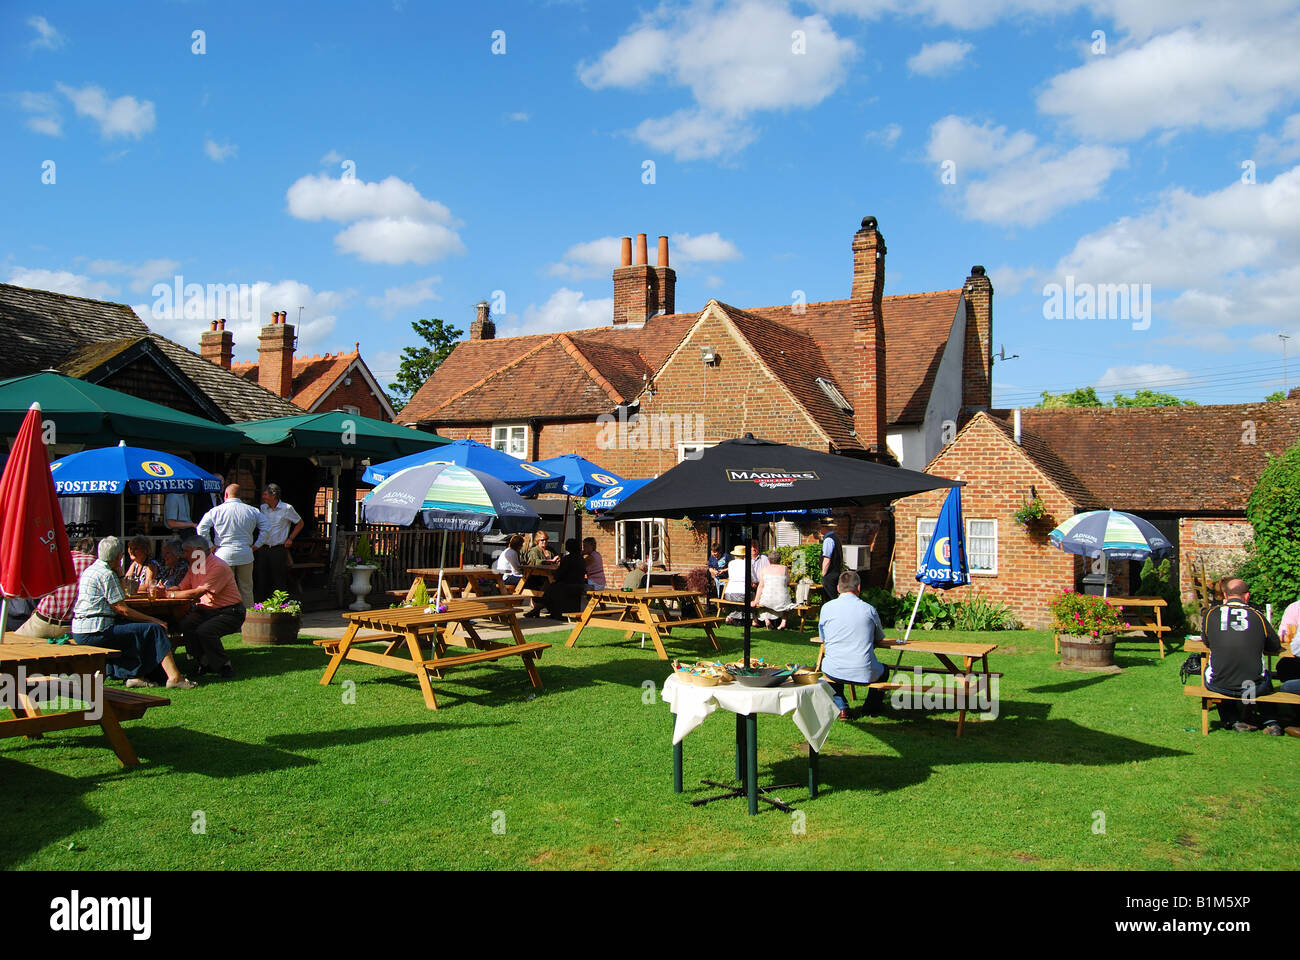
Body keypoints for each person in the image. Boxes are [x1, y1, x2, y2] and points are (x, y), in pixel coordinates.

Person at [70, 537, 196, 689]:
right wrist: (153, 620)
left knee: (133, 630)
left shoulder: (91, 570)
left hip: (80, 629)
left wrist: (120, 574)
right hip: (96, 630)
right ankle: (175, 677)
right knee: (154, 629)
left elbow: (120, 597)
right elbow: (122, 608)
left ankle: (134, 676)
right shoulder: (107, 574)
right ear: (119, 557)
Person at [1202, 579, 1284, 734]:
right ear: (1247, 596)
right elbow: (1275, 645)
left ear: (1225, 595)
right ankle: (1271, 721)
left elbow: (1207, 641)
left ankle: (1232, 719)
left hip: (1219, 684)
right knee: (1265, 675)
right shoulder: (1257, 616)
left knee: (1214, 670)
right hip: (1254, 685)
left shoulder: (1211, 614)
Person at [165, 534, 246, 679]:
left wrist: (169, 595)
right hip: (208, 611)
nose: (183, 555)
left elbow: (198, 592)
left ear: (198, 551)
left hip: (231, 612)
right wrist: (165, 591)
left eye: (186, 551)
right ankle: (203, 662)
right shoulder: (195, 566)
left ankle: (224, 666)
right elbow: (182, 587)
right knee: (186, 624)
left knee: (205, 630)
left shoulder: (217, 566)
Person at [818, 569, 888, 721]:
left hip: (834, 669)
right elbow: (879, 637)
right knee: (884, 671)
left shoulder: (826, 608)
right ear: (858, 588)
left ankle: (841, 707)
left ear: (838, 588)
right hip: (864, 670)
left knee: (829, 669)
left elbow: (823, 637)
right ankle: (871, 708)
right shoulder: (869, 609)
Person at [14, 537, 97, 639]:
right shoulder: (96, 565)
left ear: (77, 547)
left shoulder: (59, 559)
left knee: (12, 645)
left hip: (43, 620)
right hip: (70, 627)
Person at [198, 484, 264, 608]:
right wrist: (258, 544)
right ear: (240, 495)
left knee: (223, 587)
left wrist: (210, 545)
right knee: (246, 588)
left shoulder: (216, 510)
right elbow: (267, 527)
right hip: (245, 552)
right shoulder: (252, 510)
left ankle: (226, 614)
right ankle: (248, 618)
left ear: (226, 495)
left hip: (223, 553)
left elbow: (201, 528)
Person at [254, 483, 303, 600]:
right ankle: (261, 604)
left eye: (265, 494)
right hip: (263, 547)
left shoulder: (287, 508)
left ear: (274, 495)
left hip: (278, 548)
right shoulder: (263, 508)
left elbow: (300, 523)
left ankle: (280, 605)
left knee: (278, 578)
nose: (263, 497)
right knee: (261, 577)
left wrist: (291, 538)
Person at [540, 538, 586, 618]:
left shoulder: (568, 559)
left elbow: (560, 574)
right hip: (579, 584)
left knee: (549, 589)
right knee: (551, 588)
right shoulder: (581, 558)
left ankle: (549, 612)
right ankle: (537, 609)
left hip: (567, 585)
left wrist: (555, 575)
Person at [753, 550, 794, 630]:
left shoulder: (764, 569)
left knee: (763, 603)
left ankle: (766, 619)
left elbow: (761, 586)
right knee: (788, 603)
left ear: (768, 560)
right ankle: (783, 621)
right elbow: (788, 581)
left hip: (767, 599)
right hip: (782, 600)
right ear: (779, 560)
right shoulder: (784, 568)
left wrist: (756, 600)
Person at [723, 545, 756, 624]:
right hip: (742, 593)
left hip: (728, 593)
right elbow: (754, 578)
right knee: (753, 597)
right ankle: (754, 618)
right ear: (744, 555)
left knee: (740, 604)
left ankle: (732, 617)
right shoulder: (747, 563)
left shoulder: (730, 564)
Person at [820, 518, 843, 604]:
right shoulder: (835, 538)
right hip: (836, 572)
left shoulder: (828, 540)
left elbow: (827, 558)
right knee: (833, 597)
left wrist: (823, 574)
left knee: (830, 598)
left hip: (830, 574)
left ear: (824, 527)